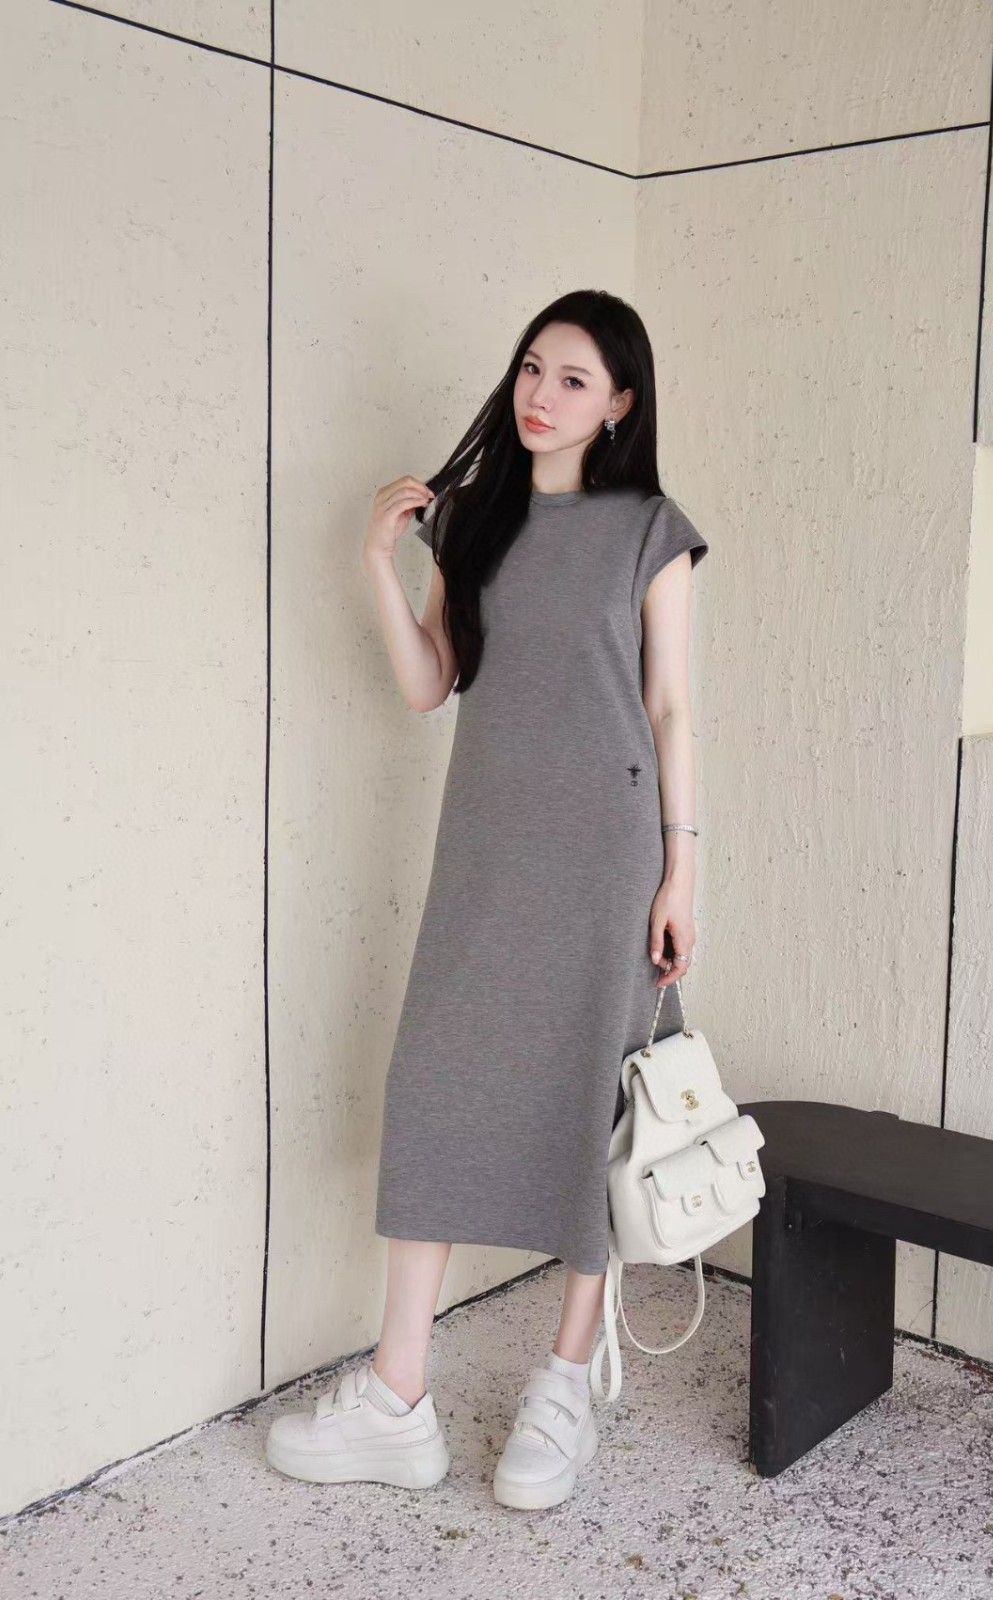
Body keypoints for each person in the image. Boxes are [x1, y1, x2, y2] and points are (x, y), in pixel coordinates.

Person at [266, 289, 709, 1511]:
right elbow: (430, 683)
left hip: (610, 849)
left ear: (619, 404)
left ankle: (564, 1383)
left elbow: (670, 705)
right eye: (530, 367)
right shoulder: (471, 520)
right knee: (436, 1085)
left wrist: (681, 867)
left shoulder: (650, 529)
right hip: (487, 846)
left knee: (588, 1096)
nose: (540, 394)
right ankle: (396, 1395)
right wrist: (377, 559)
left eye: (573, 379)